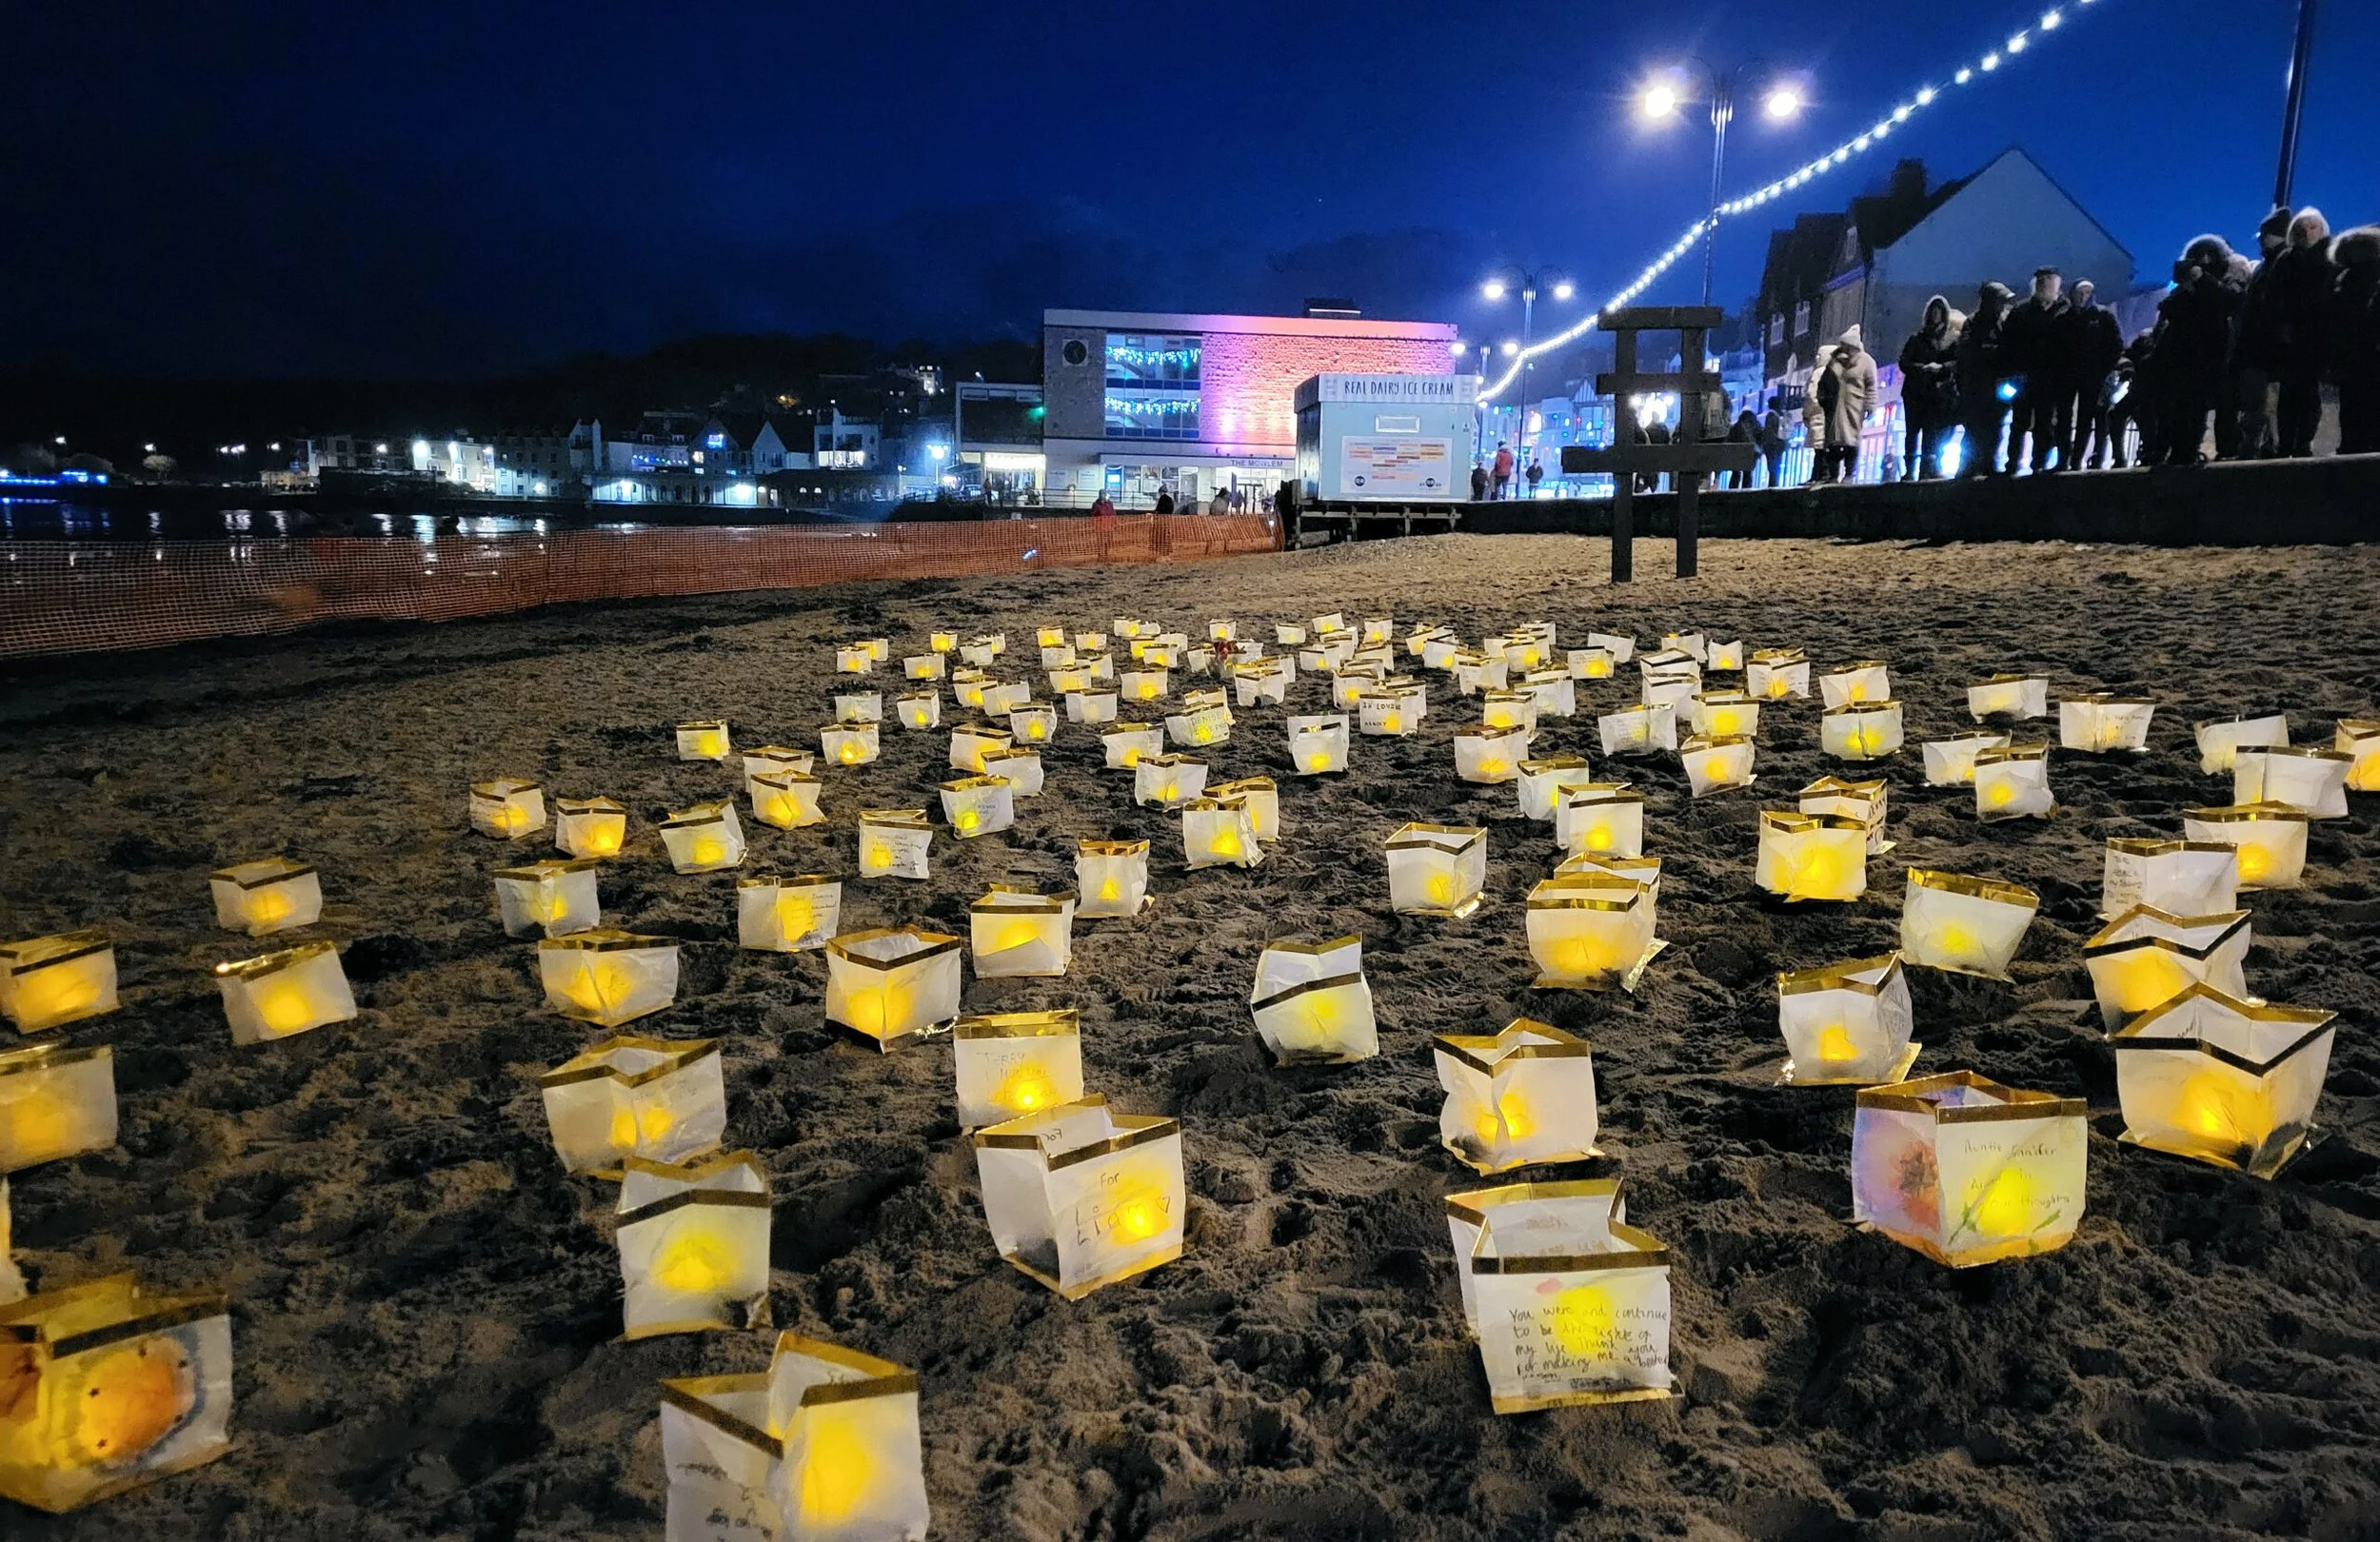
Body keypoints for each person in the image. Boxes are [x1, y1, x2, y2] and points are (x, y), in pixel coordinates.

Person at [2155, 234, 2253, 465]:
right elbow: (2169, 307)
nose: (2205, 260)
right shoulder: (2185, 287)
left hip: (2215, 353)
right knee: (2182, 407)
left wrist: (2202, 282)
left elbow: (2231, 301)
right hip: (2184, 354)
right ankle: (2180, 452)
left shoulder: (2226, 277)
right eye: (2199, 256)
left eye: (2210, 255)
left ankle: (2221, 450)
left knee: (2216, 406)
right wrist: (2188, 287)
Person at [2223, 208, 2296, 458]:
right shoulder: (2267, 266)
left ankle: (2260, 448)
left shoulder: (2278, 263)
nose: (2262, 241)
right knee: (2259, 404)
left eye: (2265, 235)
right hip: (2260, 349)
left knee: (2261, 404)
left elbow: (2266, 308)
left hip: (2264, 349)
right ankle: (2263, 446)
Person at [2269, 208, 2335, 457]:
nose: (2308, 232)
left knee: (2308, 393)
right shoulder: (2287, 260)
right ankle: (2287, 442)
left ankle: (2302, 441)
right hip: (2291, 337)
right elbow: (2273, 298)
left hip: (2316, 335)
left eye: (2313, 227)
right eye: (2302, 228)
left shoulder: (2329, 259)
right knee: (2290, 393)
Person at [2002, 267, 2071, 471]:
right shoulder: (2021, 311)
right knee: (2019, 422)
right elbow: (2008, 343)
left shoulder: (2065, 311)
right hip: (2023, 376)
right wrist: (2011, 371)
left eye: (2049, 281)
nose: (2044, 284)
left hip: (2050, 377)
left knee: (2045, 423)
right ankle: (2012, 462)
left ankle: (2038, 463)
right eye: (2041, 281)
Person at [1896, 295, 1962, 480]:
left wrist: (1941, 368)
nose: (1935, 315)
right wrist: (1922, 369)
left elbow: (1958, 362)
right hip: (1915, 393)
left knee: (1932, 434)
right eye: (1932, 312)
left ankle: (1928, 469)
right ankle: (1909, 470)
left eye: (1938, 312)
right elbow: (1903, 362)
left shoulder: (1952, 340)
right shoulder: (1916, 339)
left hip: (1937, 394)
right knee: (1912, 433)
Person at [2060, 279, 2124, 468]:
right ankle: (2064, 459)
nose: (2083, 296)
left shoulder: (2103, 316)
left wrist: (2104, 370)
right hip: (2069, 376)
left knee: (2088, 418)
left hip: (2094, 376)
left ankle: (2080, 459)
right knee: (2064, 417)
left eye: (2088, 292)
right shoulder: (2065, 317)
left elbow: (2116, 345)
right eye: (2080, 292)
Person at [2328, 225, 2380, 455]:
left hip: (2352, 355)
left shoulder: (2344, 280)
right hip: (2366, 354)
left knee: (2353, 412)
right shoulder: (2359, 279)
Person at [1955, 281, 2015, 476]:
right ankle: (1968, 465)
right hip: (1976, 388)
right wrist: (1994, 352)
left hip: (1998, 387)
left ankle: (1989, 462)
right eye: (1999, 301)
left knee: (1995, 428)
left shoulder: (2004, 321)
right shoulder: (1973, 323)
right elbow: (1968, 352)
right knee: (1974, 429)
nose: (2003, 306)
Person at [1808, 326, 1877, 484]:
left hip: (1854, 407)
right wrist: (1823, 400)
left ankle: (1849, 473)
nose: (1845, 348)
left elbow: (1871, 385)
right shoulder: (1834, 361)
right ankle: (1833, 475)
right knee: (1833, 442)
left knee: (1851, 441)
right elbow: (1824, 383)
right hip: (1834, 408)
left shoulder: (1866, 361)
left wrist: (1870, 405)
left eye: (1848, 346)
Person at [1758, 397, 1788, 488]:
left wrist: (1764, 443)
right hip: (1781, 442)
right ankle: (1775, 482)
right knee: (1777, 463)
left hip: (1771, 444)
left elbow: (1769, 431)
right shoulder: (1782, 415)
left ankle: (1772, 482)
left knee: (1771, 464)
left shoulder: (1771, 415)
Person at [1728, 408, 1759, 488]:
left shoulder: (1736, 427)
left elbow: (1730, 439)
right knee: (1748, 475)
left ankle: (1732, 492)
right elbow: (1760, 438)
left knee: (1735, 474)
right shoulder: (1755, 426)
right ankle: (1746, 492)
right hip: (1750, 454)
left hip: (1737, 454)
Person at [1091, 489, 1118, 560]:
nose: (1103, 495)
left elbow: (1113, 513)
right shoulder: (1096, 504)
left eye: (1104, 494)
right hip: (1100, 527)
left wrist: (1115, 523)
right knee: (1100, 542)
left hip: (1109, 526)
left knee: (1108, 541)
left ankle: (1106, 554)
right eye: (1101, 494)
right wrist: (1095, 525)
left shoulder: (1110, 504)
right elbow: (1093, 515)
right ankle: (1100, 555)